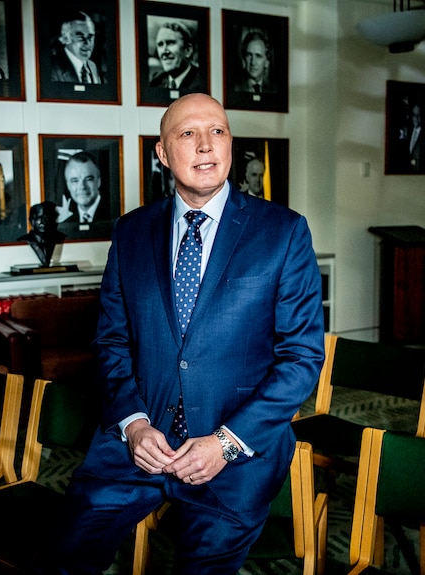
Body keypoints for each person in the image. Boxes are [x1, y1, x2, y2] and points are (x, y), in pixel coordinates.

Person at [48, 93, 325, 573]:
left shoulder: (283, 232)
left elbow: (301, 358)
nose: (205, 146)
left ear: (231, 145)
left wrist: (225, 442)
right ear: (162, 153)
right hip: (138, 442)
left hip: (234, 453)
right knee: (61, 555)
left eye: (217, 131)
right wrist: (132, 424)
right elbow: (112, 342)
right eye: (188, 133)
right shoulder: (131, 233)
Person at [148, 20, 202, 91]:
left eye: (170, 43)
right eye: (160, 44)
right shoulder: (156, 81)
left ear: (188, 50)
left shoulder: (201, 82)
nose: (164, 51)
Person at [50, 10, 102, 84]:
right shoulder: (53, 69)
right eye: (80, 37)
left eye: (90, 37)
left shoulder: (92, 66)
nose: (87, 43)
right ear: (66, 38)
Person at [57, 151, 108, 224]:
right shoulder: (67, 225)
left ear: (99, 181)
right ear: (68, 185)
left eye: (88, 179)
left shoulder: (117, 218)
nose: (82, 187)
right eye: (75, 181)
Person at [17, 201, 66, 268]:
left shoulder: (60, 237)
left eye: (47, 217)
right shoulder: (24, 240)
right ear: (31, 220)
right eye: (39, 217)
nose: (43, 221)